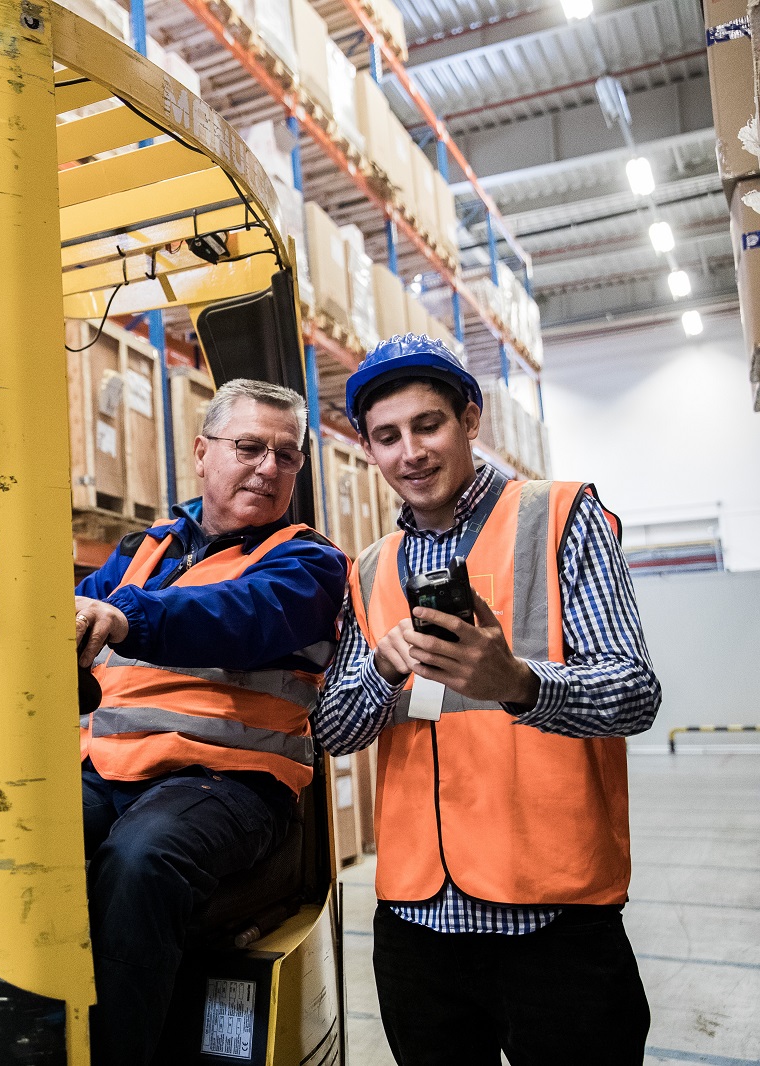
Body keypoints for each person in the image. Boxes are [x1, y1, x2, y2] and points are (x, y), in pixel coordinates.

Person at [314, 334, 661, 1066]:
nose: (410, 451)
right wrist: (381, 668)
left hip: (554, 918)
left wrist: (519, 684)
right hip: (417, 922)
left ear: (469, 420)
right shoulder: (371, 567)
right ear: (369, 449)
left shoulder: (561, 518)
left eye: (428, 424)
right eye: (387, 436)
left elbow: (634, 692)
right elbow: (334, 731)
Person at [74, 378, 348, 1065]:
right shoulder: (146, 550)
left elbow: (239, 616)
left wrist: (127, 617)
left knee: (140, 864)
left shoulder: (307, 561)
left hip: (231, 785)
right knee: (1, 833)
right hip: (108, 770)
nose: (268, 467)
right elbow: (72, 614)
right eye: (250, 447)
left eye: (287, 456)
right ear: (202, 454)